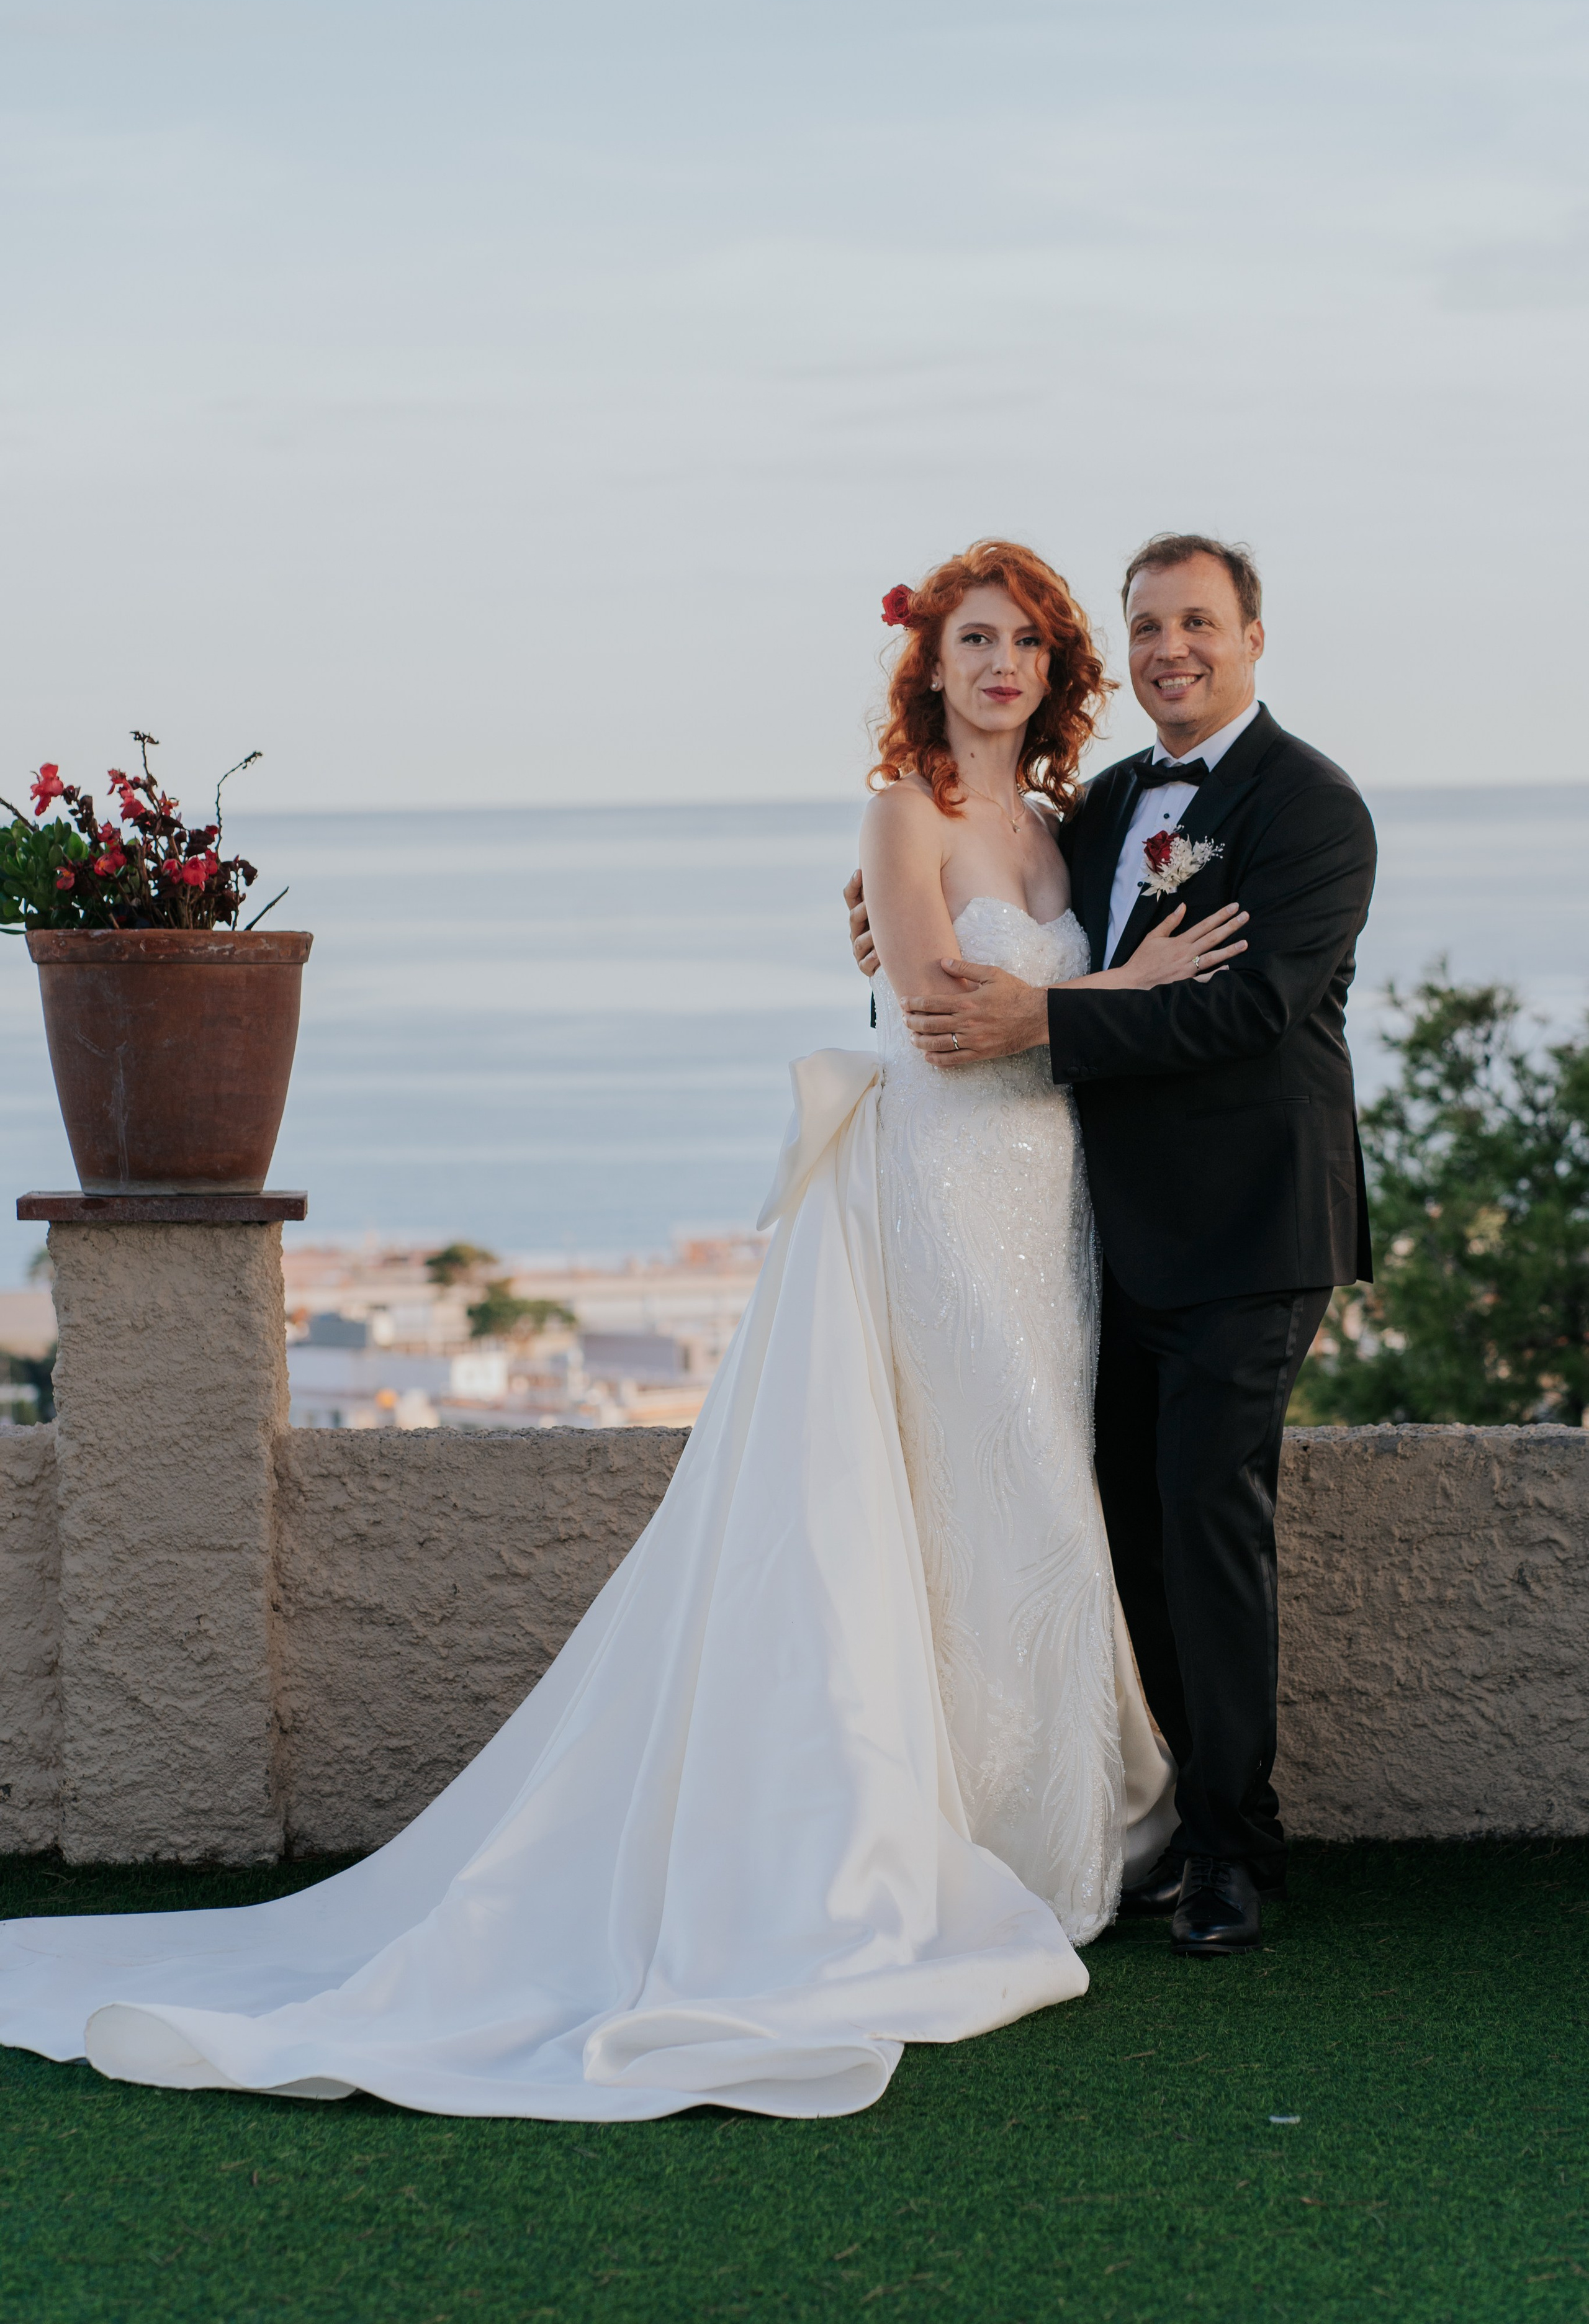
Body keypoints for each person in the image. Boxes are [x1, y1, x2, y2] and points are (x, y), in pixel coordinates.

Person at [0, 541, 1242, 2120]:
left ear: (1051, 676)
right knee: (1005, 1490)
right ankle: (962, 1854)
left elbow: (1020, 1006)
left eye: (1022, 646)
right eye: (971, 641)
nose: (997, 666)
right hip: (935, 1195)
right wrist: (1135, 984)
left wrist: (1101, 983)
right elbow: (938, 1013)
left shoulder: (1060, 827)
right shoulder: (900, 811)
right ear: (928, 666)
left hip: (1042, 1205)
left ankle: (1034, 1829)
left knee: (1018, 1503)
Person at [847, 534, 1376, 1955]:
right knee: (1109, 1524)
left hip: (1250, 1229)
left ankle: (1227, 1849)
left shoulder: (1311, 808)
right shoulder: (1103, 806)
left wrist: (1049, 1017)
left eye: (1197, 622)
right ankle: (1120, 1814)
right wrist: (882, 899)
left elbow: (1247, 1010)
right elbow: (1001, 899)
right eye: (1147, 625)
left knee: (1206, 1520)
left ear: (1252, 636)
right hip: (1086, 1232)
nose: (1170, 649)